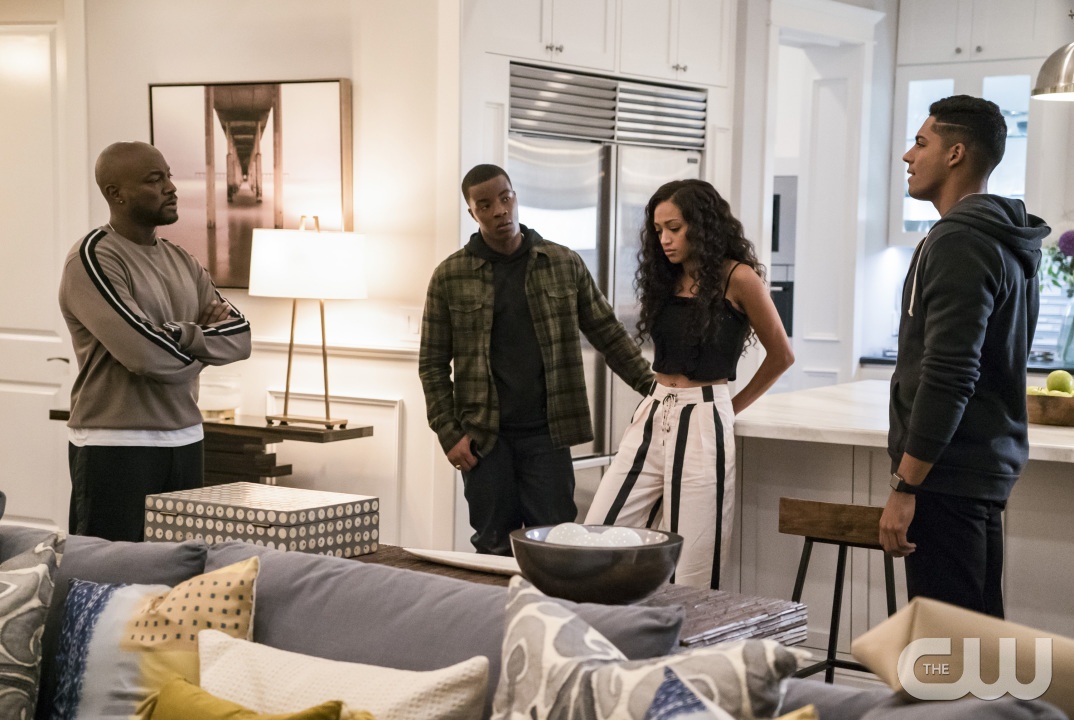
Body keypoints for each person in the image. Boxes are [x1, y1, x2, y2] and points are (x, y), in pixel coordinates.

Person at [419, 164, 654, 555]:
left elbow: (609, 334)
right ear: (472, 213)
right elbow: (432, 364)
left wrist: (656, 391)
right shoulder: (450, 276)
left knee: (557, 544)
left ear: (515, 197)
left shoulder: (562, 263)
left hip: (547, 433)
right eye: (485, 205)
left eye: (505, 198)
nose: (500, 210)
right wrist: (448, 432)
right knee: (494, 546)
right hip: (484, 438)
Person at [880, 96, 1049, 618]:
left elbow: (950, 376)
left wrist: (906, 485)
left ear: (955, 154)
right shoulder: (1001, 238)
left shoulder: (959, 241)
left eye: (921, 142)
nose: (908, 156)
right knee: (973, 635)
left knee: (948, 644)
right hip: (974, 470)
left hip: (946, 476)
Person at [585, 179, 793, 589]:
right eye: (658, 229)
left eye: (674, 228)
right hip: (653, 411)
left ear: (702, 224)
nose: (664, 239)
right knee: (598, 536)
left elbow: (781, 355)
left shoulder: (739, 278)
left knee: (693, 564)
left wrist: (729, 408)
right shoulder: (665, 278)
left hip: (704, 417)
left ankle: (686, 631)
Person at [59, 141, 252, 542]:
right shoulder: (93, 257)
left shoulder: (183, 260)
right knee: (107, 571)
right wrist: (200, 347)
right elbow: (145, 356)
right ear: (116, 193)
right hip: (115, 445)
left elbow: (240, 338)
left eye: (169, 176)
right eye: (154, 179)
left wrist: (179, 335)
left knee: (179, 570)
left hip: (187, 438)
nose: (171, 187)